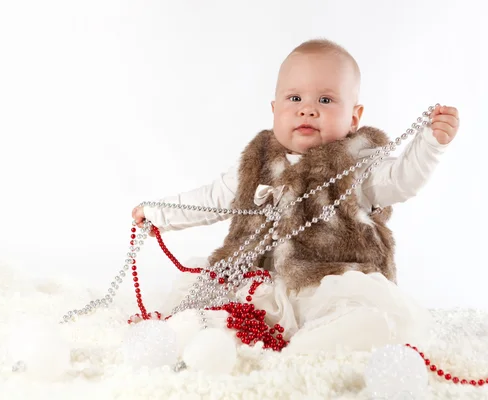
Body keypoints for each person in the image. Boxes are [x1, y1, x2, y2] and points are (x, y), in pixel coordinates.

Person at [132, 39, 460, 354]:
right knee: (204, 297)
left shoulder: (359, 163)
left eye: (326, 101)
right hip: (262, 283)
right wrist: (157, 213)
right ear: (274, 109)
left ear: (354, 118)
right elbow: (212, 198)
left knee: (367, 314)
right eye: (294, 99)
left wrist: (430, 144)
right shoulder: (257, 161)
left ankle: (312, 349)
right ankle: (195, 336)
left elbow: (402, 179)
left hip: (329, 282)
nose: (307, 111)